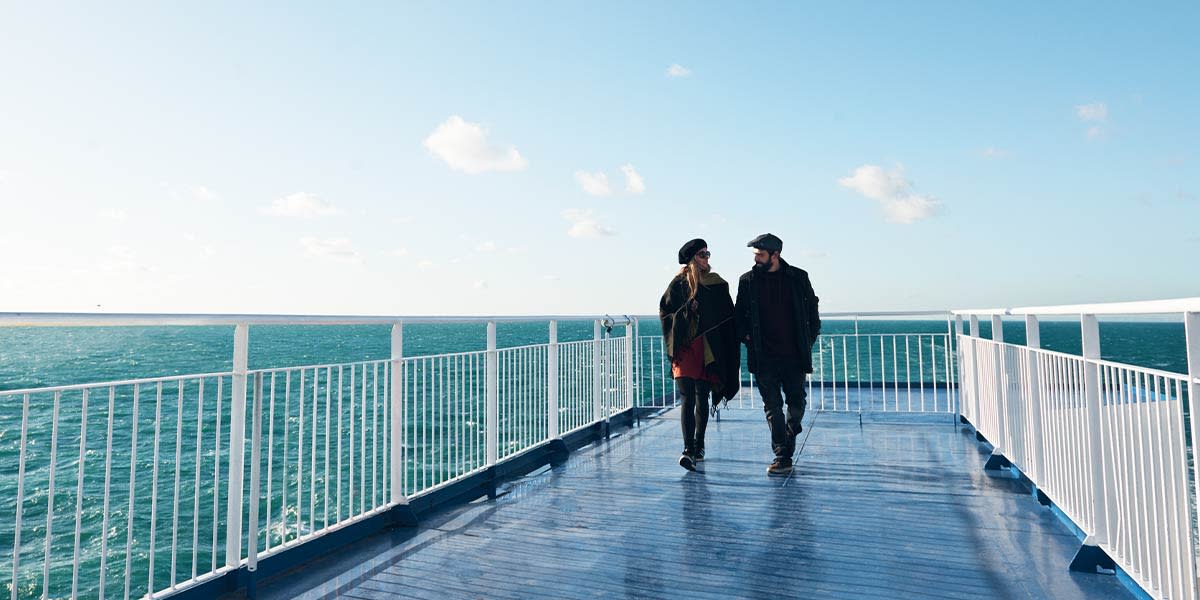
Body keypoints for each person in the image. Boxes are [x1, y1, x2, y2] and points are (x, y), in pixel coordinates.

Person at [735, 233, 820, 475]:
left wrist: (809, 339)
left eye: (761, 255)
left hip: (794, 355)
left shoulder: (798, 278)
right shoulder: (747, 281)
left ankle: (790, 435)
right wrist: (747, 337)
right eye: (755, 255)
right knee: (772, 407)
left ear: (776, 254)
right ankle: (782, 454)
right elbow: (739, 315)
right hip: (764, 356)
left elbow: (813, 312)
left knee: (797, 403)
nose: (756, 260)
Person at [659, 238, 740, 471]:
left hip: (707, 349)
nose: (707, 258)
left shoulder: (717, 284)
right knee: (687, 397)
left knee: (701, 397)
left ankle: (699, 444)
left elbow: (727, 317)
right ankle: (687, 449)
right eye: (703, 254)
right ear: (693, 258)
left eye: (708, 254)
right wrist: (686, 311)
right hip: (685, 348)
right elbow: (666, 314)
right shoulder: (678, 284)